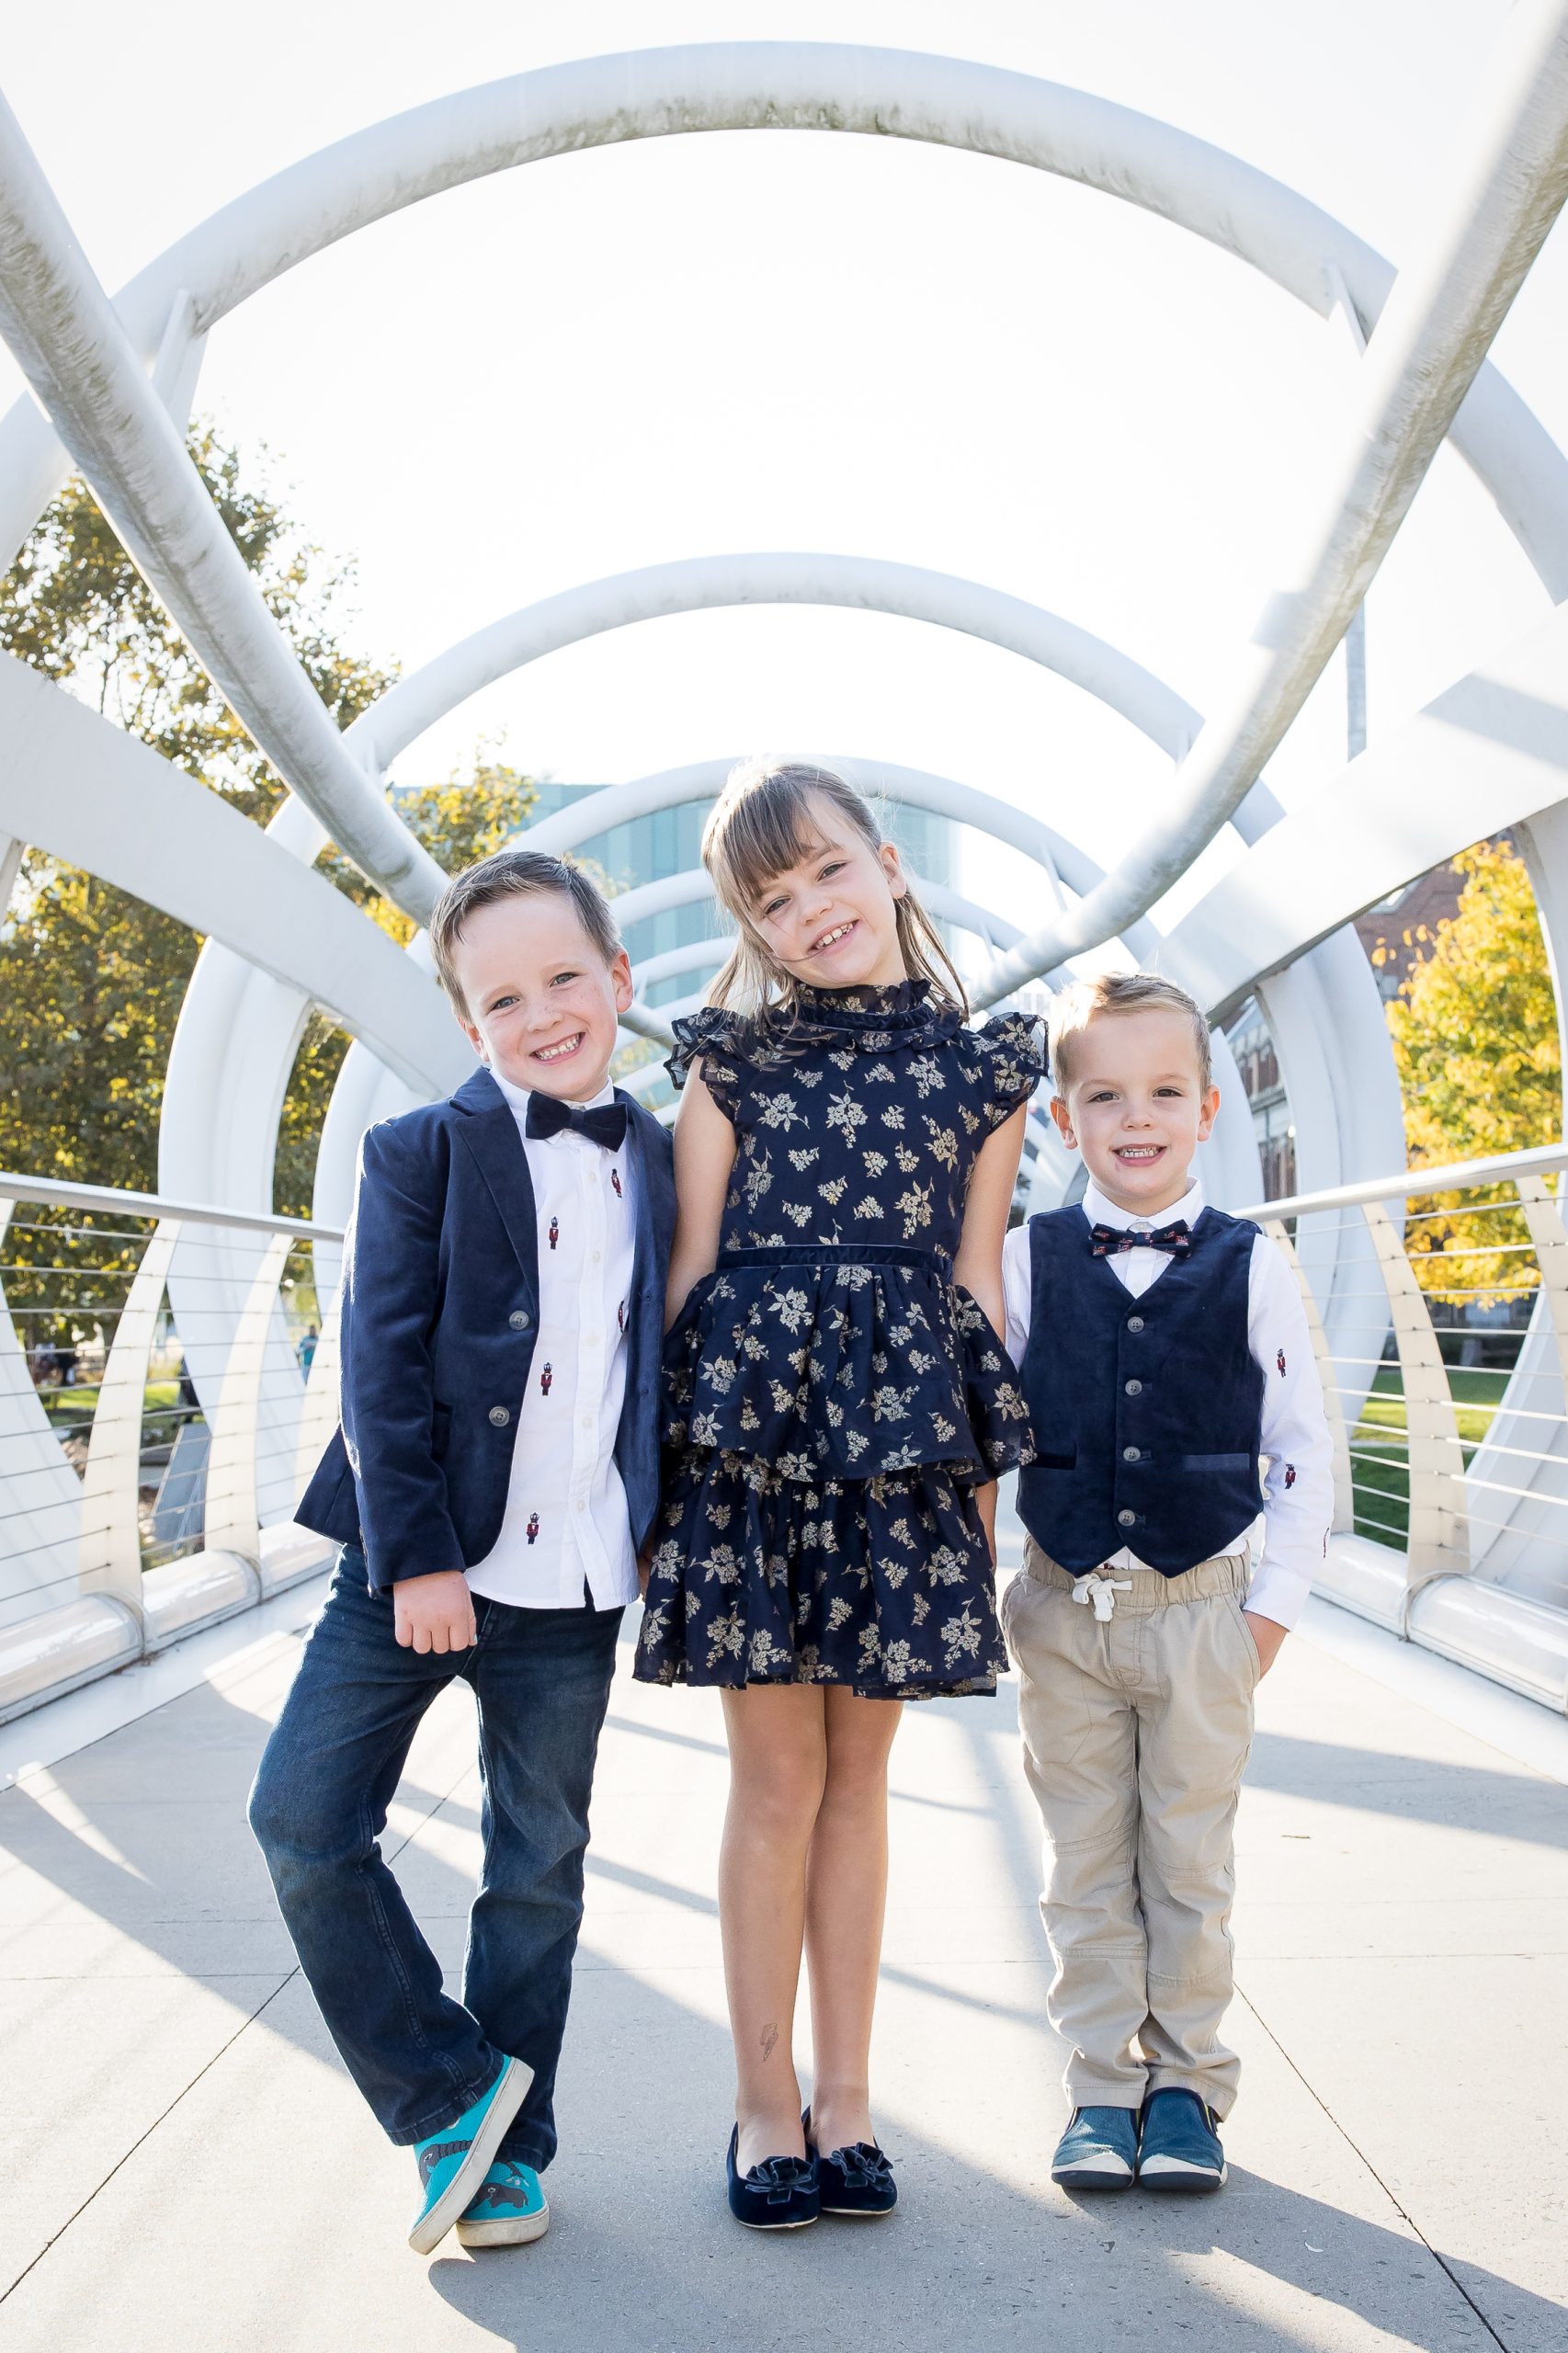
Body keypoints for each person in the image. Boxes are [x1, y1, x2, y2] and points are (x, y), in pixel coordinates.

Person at [248, 850, 675, 2257]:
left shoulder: (667, 1161)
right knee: (302, 1821)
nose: (542, 1015)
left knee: (534, 1871)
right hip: (413, 1567)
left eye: (565, 979)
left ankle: (505, 2160)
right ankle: (450, 2089)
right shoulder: (418, 1152)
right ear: (466, 1020)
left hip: (576, 1584)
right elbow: (377, 1371)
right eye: (503, 999)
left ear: (617, 979)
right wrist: (418, 1558)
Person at [634, 759, 1042, 2229]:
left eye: (826, 870)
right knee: (775, 1785)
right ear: (751, 926)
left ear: (887, 864)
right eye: (772, 897)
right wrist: (662, 1496)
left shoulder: (983, 1071)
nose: (810, 909)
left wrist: (976, 1492)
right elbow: (686, 1277)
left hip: (901, 1455)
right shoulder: (728, 1066)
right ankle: (763, 2107)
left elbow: (975, 1285)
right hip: (748, 1457)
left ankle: (848, 2101)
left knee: (861, 1785)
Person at [1000, 971, 1333, 2195]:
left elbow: (1302, 1453)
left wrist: (1266, 1617)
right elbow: (982, 1436)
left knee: (1189, 1863)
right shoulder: (1026, 1260)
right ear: (1063, 1117)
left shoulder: (1254, 1262)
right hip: (1061, 1608)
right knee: (1083, 1862)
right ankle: (1099, 2087)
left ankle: (1187, 2087)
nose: (1134, 1118)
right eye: (1104, 1096)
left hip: (1204, 1615)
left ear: (1206, 1109)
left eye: (1163, 1093)